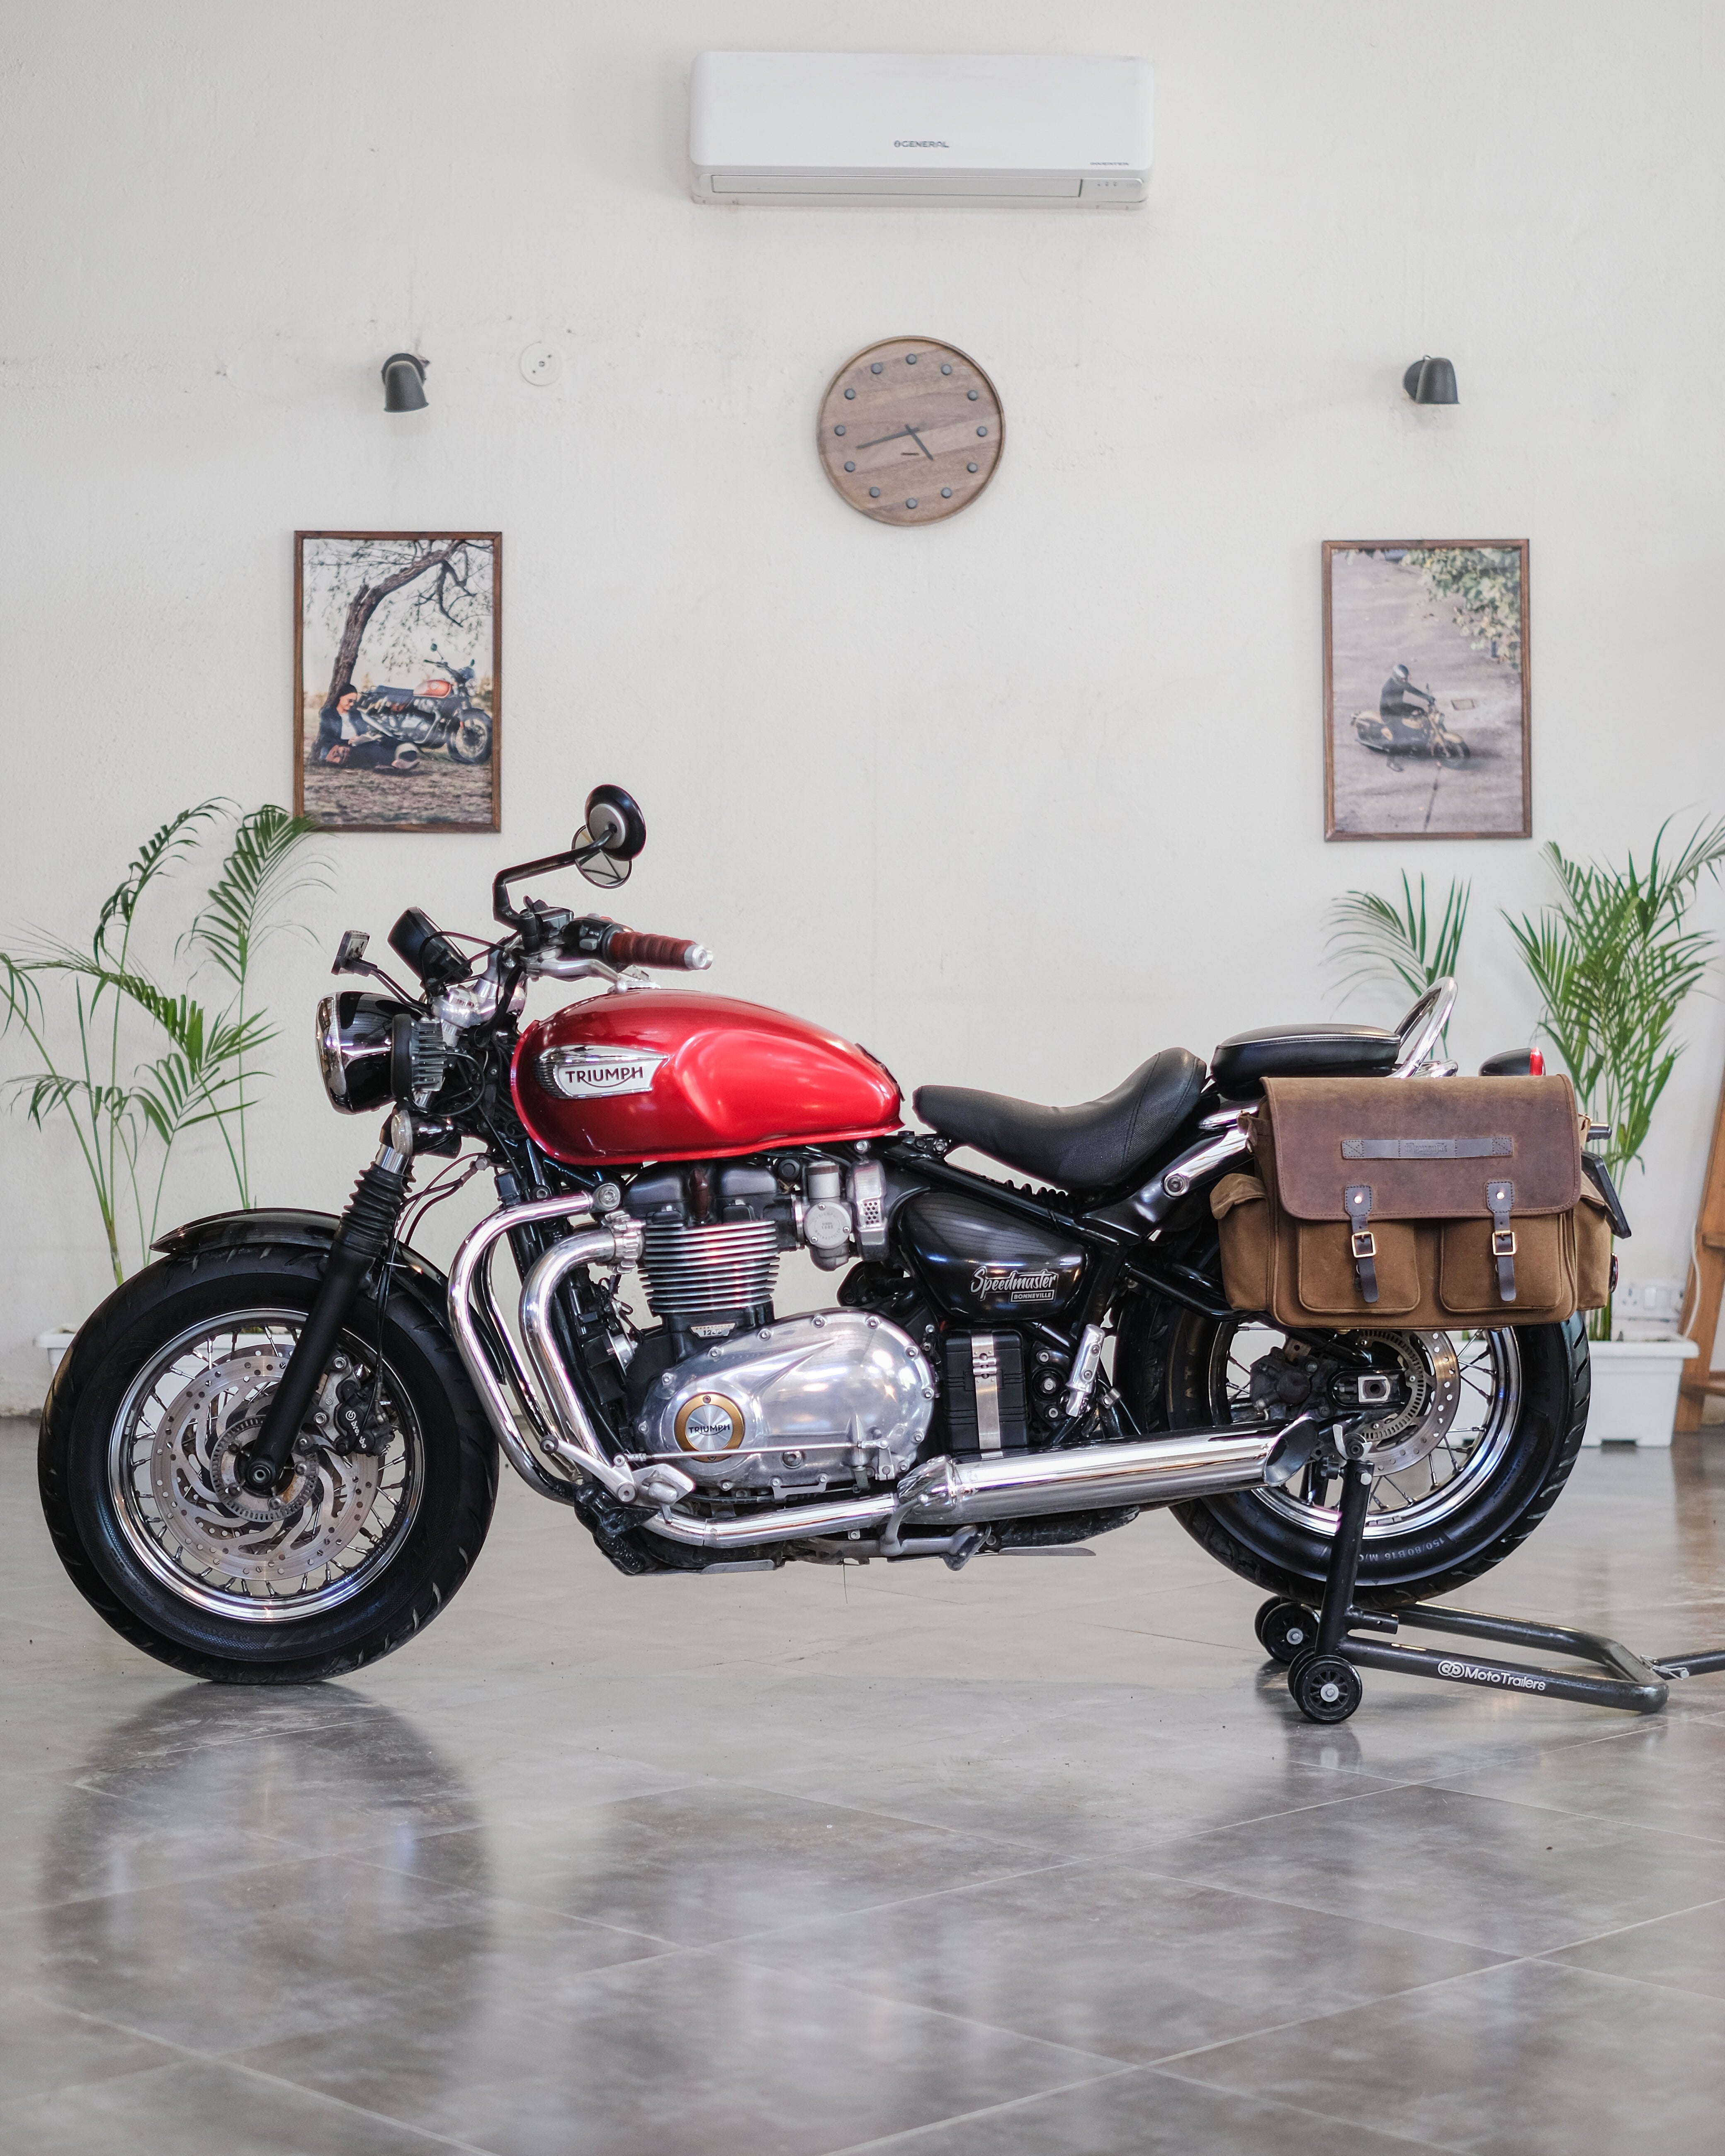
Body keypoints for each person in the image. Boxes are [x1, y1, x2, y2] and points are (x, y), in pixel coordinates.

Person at [313, 686, 420, 773]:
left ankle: (400, 761)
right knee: (369, 750)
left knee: (383, 744)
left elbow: (364, 732)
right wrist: (346, 742)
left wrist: (360, 738)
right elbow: (326, 738)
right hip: (343, 749)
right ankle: (395, 764)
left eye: (354, 702)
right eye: (349, 701)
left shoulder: (355, 714)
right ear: (340, 698)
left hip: (359, 744)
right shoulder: (328, 714)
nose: (351, 704)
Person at [1380, 663, 1437, 733]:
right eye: (1404, 680)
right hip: (1389, 714)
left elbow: (1412, 690)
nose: (1405, 681)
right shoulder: (1388, 689)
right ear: (1397, 678)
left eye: (1406, 679)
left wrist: (1427, 697)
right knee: (1404, 730)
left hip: (1399, 706)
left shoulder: (1400, 683)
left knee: (1421, 711)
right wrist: (1408, 714)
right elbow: (1393, 706)